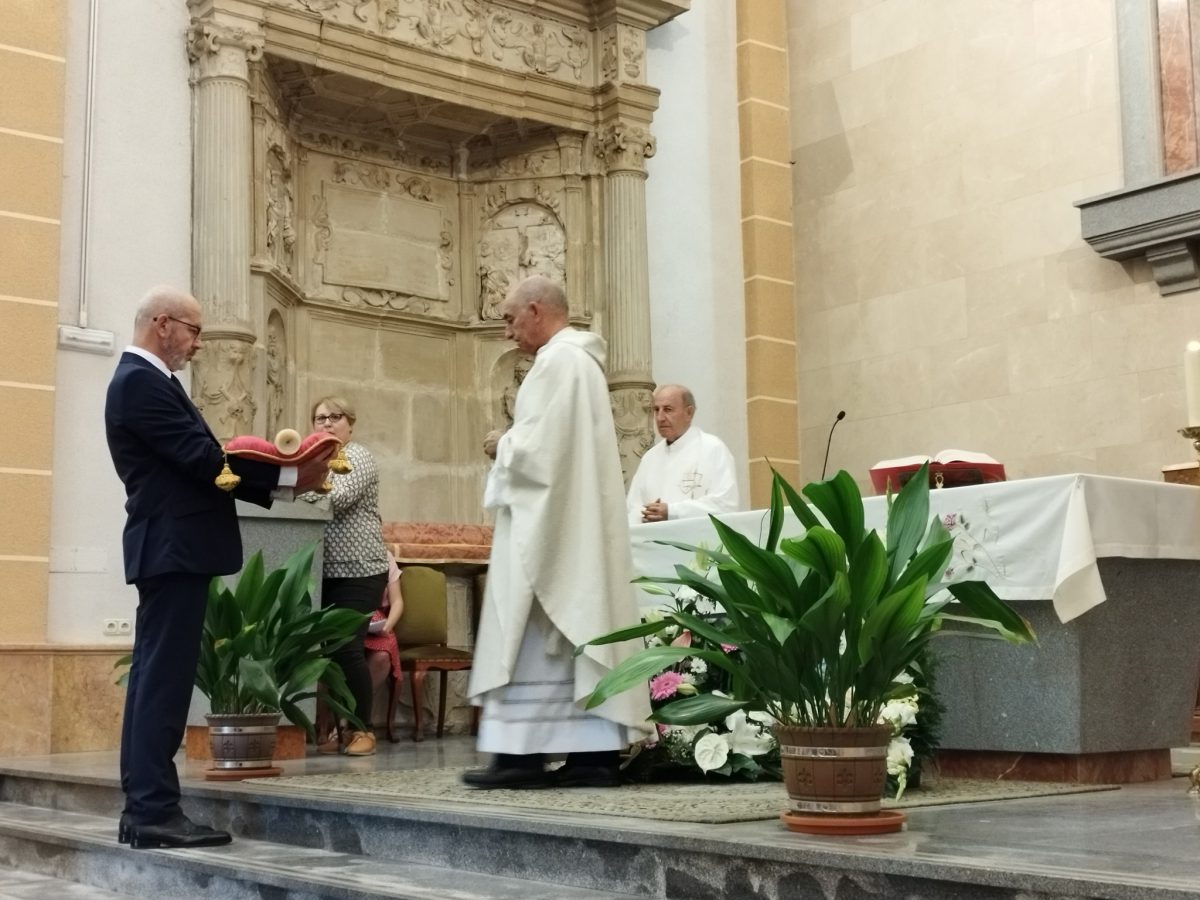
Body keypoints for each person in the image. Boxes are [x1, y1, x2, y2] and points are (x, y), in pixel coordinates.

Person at [105, 286, 333, 850]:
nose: (198, 344)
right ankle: (153, 811)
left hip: (171, 547)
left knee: (156, 682)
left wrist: (279, 475)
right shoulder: (140, 382)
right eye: (194, 330)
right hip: (172, 547)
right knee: (161, 684)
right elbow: (202, 459)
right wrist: (287, 478)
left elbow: (200, 461)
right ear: (163, 324)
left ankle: (145, 809)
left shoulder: (146, 382)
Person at [465, 275, 652, 790]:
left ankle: (523, 756)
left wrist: (502, 444)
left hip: (552, 530)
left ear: (536, 309)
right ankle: (590, 754)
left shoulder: (559, 362)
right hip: (570, 523)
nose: (506, 332)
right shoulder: (578, 362)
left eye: (508, 318)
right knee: (573, 634)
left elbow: (541, 453)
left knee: (534, 630)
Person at [304, 396, 389, 757]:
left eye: (334, 417)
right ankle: (333, 728)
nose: (326, 424)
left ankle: (362, 730)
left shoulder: (356, 456)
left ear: (349, 424)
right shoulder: (315, 461)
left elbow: (336, 498)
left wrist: (294, 488)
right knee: (329, 653)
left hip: (359, 568)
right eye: (319, 418)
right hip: (324, 570)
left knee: (347, 650)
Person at [625, 384, 740, 525]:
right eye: (656, 410)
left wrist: (671, 512)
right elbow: (632, 508)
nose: (660, 417)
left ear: (689, 413)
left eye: (668, 409)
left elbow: (726, 505)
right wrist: (645, 515)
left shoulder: (713, 449)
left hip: (698, 544)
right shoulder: (650, 458)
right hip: (653, 543)